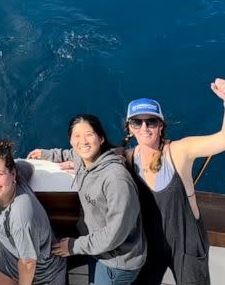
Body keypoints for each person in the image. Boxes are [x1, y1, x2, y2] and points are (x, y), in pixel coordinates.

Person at [122, 78, 225, 285]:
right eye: (136, 122)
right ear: (129, 128)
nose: (144, 127)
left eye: (151, 121)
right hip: (150, 243)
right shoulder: (126, 157)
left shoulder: (180, 150)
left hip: (187, 242)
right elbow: (90, 155)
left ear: (161, 126)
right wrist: (62, 159)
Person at [28, 114, 146, 285]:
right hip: (97, 248)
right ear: (70, 140)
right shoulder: (83, 160)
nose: (83, 141)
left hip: (117, 261)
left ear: (101, 138)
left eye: (89, 135)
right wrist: (46, 154)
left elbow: (115, 234)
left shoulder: (116, 180)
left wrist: (74, 246)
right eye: (76, 136)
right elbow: (69, 154)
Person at [0, 139, 66, 285]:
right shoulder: (14, 179)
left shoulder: (20, 217)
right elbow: (28, 167)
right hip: (10, 261)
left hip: (43, 275)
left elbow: (28, 264)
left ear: (13, 174)